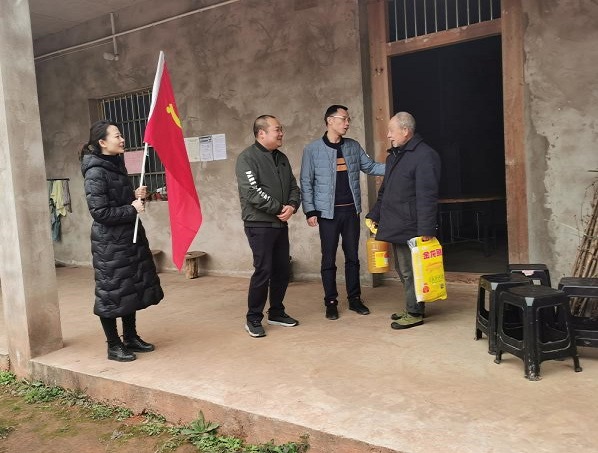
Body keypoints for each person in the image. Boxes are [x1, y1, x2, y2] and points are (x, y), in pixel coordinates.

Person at [80, 120, 164, 361]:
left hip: (127, 239)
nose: (122, 139)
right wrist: (131, 208)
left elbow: (118, 201)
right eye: (116, 136)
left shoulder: (115, 164)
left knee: (129, 290)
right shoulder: (95, 171)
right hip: (110, 244)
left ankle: (130, 337)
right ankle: (113, 345)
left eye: (120, 135)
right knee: (110, 294)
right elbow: (100, 212)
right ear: (102, 142)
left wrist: (134, 196)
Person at [300, 105, 385, 320]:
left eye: (348, 119)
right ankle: (331, 302)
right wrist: (310, 210)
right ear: (330, 120)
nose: (347, 123)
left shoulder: (353, 146)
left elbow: (370, 167)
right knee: (328, 259)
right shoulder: (312, 150)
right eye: (344, 119)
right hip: (327, 214)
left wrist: (397, 165)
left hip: (351, 212)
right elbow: (306, 182)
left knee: (352, 257)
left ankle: (355, 299)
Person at [366, 112, 441, 330]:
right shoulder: (395, 156)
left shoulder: (425, 155)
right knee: (403, 269)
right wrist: (374, 214)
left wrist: (426, 229)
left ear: (406, 131)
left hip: (413, 226)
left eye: (392, 131)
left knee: (412, 271)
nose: (388, 135)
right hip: (397, 223)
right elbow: (385, 191)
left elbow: (427, 196)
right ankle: (412, 306)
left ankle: (414, 313)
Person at [236, 115, 301, 338]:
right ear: (261, 133)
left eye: (281, 129)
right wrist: (279, 208)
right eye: (277, 129)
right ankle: (253, 318)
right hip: (259, 224)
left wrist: (292, 206)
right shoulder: (247, 158)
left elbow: (293, 187)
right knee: (263, 270)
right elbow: (252, 192)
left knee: (282, 269)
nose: (281, 133)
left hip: (280, 223)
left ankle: (276, 312)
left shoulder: (281, 158)